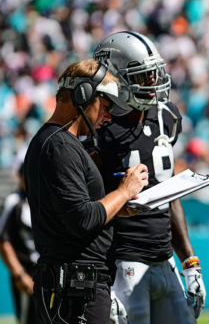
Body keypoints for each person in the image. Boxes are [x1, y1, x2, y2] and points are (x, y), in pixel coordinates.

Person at [23, 59, 149, 324]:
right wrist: (124, 191)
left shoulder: (56, 142)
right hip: (74, 288)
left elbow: (77, 213)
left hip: (73, 284)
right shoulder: (60, 146)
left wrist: (117, 208)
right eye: (105, 106)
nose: (109, 115)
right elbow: (83, 219)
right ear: (84, 96)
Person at [93, 31, 206, 324]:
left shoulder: (167, 116)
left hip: (165, 258)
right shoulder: (99, 127)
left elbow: (170, 198)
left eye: (153, 74)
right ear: (115, 77)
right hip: (123, 262)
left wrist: (190, 262)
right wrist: (103, 280)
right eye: (142, 76)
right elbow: (91, 208)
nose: (153, 83)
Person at [0, 164, 37, 324]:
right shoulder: (14, 201)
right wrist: (19, 274)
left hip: (45, 271)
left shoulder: (43, 200)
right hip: (26, 270)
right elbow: (3, 240)